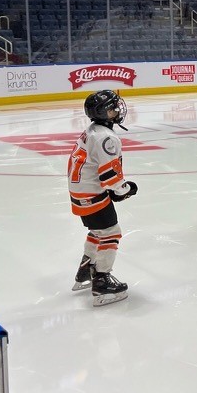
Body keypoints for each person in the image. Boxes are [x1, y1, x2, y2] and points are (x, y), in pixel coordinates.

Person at [67, 90, 138, 307]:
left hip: (80, 194)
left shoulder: (92, 131)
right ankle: (102, 281)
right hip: (92, 194)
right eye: (112, 108)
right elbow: (109, 178)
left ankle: (85, 270)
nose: (117, 110)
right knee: (111, 233)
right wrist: (124, 189)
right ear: (103, 112)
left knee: (97, 231)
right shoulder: (107, 138)